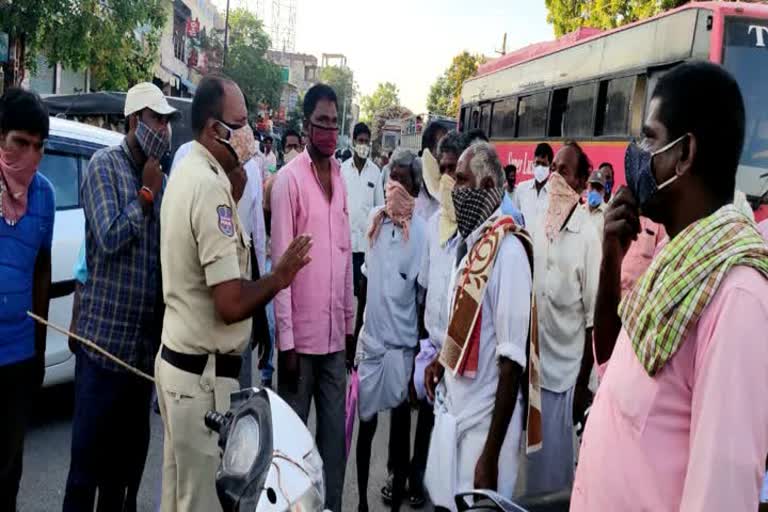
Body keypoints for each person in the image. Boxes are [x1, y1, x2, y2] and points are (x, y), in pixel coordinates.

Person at [574, 61, 768, 511]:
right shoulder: (677, 262)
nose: (638, 154)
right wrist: (611, 259)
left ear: (685, 154)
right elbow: (610, 366)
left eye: (650, 139)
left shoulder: (737, 295)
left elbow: (719, 497)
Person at [155, 75, 311, 512]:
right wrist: (279, 277)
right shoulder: (208, 187)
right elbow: (228, 304)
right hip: (202, 381)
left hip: (181, 370)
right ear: (212, 130)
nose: (251, 136)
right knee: (202, 503)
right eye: (240, 125)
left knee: (178, 500)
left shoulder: (190, 171)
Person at [62, 82, 176, 511]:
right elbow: (109, 238)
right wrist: (145, 194)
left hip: (141, 354)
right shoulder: (103, 166)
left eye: (167, 121)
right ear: (134, 121)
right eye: (156, 119)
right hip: (103, 347)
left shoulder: (162, 176)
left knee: (122, 477)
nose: (163, 130)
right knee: (84, 473)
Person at [423, 142, 540, 511]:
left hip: (484, 434)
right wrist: (440, 362)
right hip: (457, 418)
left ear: (489, 186)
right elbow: (468, 325)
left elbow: (511, 362)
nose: (454, 189)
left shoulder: (508, 253)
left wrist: (489, 457)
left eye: (462, 180)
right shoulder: (475, 245)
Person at [270, 83, 354, 512]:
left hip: (334, 341)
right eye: (321, 122)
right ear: (306, 127)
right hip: (298, 347)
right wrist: (285, 342)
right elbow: (280, 268)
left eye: (334, 123)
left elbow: (343, 259)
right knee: (291, 450)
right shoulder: (288, 181)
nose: (328, 131)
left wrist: (350, 324)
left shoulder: (340, 180)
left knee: (333, 446)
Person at [380, 129, 470, 508]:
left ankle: (420, 478)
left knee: (434, 419)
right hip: (424, 335)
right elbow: (421, 284)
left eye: (456, 170)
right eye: (443, 167)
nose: (448, 176)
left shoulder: (473, 226)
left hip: (457, 344)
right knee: (403, 407)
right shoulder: (426, 218)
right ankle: (396, 474)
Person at [524, 141, 601, 496]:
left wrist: (583, 386)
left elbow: (593, 320)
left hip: (565, 379)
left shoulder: (588, 236)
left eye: (564, 170)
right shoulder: (540, 224)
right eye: (553, 167)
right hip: (533, 373)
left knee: (555, 482)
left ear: (582, 182)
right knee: (528, 472)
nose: (554, 176)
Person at [353, 148, 427, 512]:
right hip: (371, 344)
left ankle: (396, 504)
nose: (396, 185)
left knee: (399, 436)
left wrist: (419, 361)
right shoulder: (373, 222)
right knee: (365, 428)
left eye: (404, 180)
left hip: (401, 351)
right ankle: (363, 504)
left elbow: (422, 301)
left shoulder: (422, 235)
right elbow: (365, 286)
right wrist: (355, 337)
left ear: (416, 186)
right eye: (392, 178)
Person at [0, 88, 53, 511]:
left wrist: (38, 348)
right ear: (2, 138)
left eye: (38, 147)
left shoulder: (45, 196)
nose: (30, 155)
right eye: (21, 142)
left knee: (8, 472)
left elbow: (42, 268)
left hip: (18, 357)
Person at [341, 122, 384, 297]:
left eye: (367, 142)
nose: (363, 146)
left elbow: (380, 208)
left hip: (366, 248)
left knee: (362, 293)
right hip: (345, 245)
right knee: (343, 293)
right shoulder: (342, 170)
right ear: (353, 142)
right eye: (360, 141)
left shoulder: (375, 172)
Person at [620, 216, 667, 296]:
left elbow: (660, 263)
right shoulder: (620, 217)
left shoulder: (659, 224)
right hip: (611, 291)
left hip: (636, 297)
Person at [512, 142, 554, 232]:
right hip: (524, 244)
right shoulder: (521, 188)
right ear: (533, 163)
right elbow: (514, 219)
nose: (540, 167)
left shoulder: (554, 193)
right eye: (537, 163)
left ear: (550, 167)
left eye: (544, 164)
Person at [585, 168, 608, 236]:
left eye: (598, 188)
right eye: (592, 187)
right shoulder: (579, 211)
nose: (595, 191)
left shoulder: (608, 214)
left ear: (604, 192)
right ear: (587, 187)